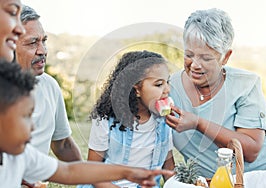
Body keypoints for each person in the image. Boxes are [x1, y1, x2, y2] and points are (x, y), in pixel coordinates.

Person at [166, 8, 266, 178]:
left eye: (206, 58)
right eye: (189, 55)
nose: (195, 65)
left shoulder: (245, 83)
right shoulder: (168, 88)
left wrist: (198, 123)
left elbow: (251, 151)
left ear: (226, 57)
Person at [0, 60, 174, 188]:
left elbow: (69, 172)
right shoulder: (108, 121)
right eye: (25, 116)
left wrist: (128, 173)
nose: (33, 126)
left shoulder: (22, 156)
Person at [79, 50, 175, 188]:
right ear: (136, 89)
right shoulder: (106, 119)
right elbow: (93, 173)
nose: (167, 90)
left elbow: (169, 168)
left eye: (168, 82)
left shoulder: (164, 120)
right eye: (159, 84)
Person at [14, 5, 82, 162]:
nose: (42, 50)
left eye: (43, 41)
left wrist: (87, 183)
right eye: (32, 43)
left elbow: (63, 145)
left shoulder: (49, 85)